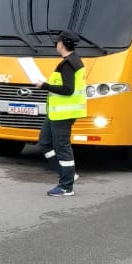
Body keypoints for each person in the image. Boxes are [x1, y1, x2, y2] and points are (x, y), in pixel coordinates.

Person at [35, 30, 87, 197]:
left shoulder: (69, 63)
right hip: (55, 113)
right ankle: (67, 174)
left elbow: (68, 89)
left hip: (64, 114)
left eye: (57, 42)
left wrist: (45, 86)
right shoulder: (71, 60)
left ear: (62, 44)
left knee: (62, 148)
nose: (56, 45)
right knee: (44, 143)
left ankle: (66, 186)